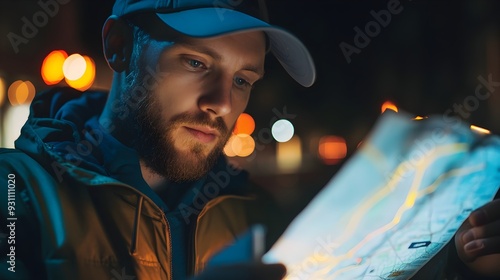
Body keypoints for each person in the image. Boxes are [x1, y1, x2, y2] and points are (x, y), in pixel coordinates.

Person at [0, 0, 498, 279]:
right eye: (196, 63)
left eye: (243, 80)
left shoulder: (261, 216)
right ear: (119, 47)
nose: (222, 103)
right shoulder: (14, 194)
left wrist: (467, 264)